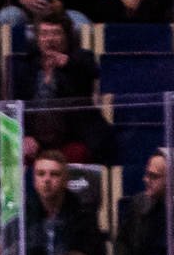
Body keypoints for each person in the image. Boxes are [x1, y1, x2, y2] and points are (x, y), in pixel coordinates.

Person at [13, 12, 107, 163]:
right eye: (44, 34)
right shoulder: (26, 66)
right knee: (14, 154)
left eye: (56, 33)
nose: (50, 39)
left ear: (67, 37)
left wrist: (68, 64)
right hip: (36, 139)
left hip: (72, 137)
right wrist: (25, 136)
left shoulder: (80, 58)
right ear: (37, 38)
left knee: (79, 153)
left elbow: (94, 71)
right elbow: (16, 105)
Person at [25, 149, 106, 255]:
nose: (47, 179)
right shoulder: (23, 215)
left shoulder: (83, 215)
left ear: (65, 180)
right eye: (41, 174)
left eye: (54, 174)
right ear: (34, 180)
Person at [112, 150, 168, 255]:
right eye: (147, 174)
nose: (146, 179)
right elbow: (122, 241)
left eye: (154, 176)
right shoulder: (138, 203)